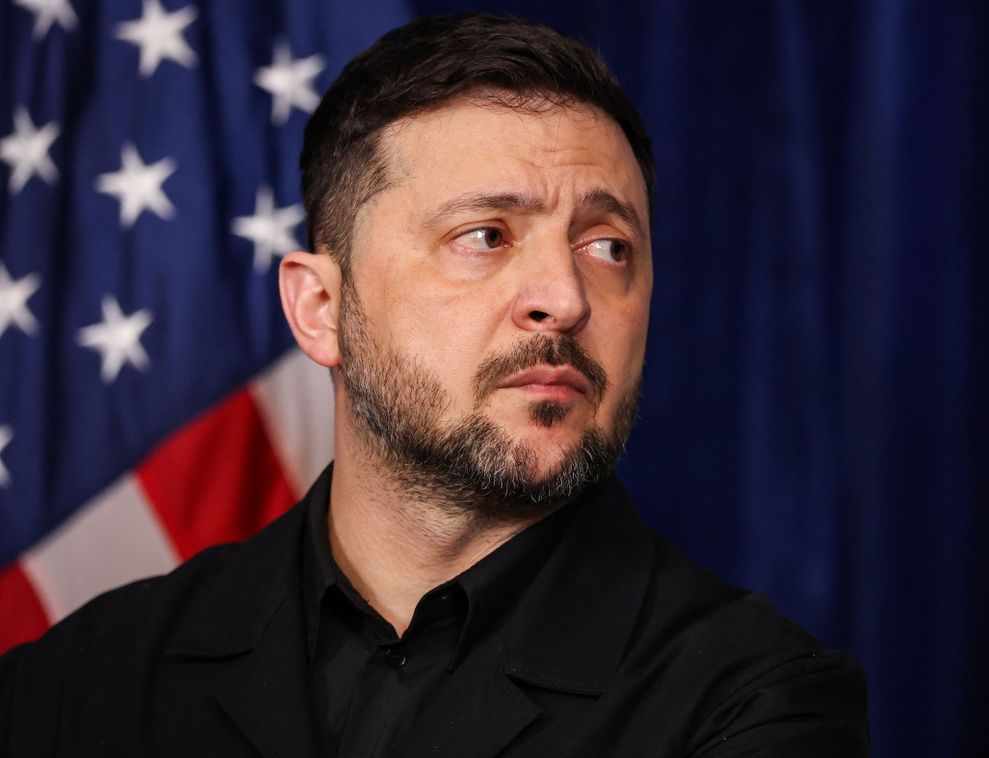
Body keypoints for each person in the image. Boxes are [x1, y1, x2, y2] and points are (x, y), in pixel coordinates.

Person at [0, 13, 868, 756]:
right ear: (320, 309)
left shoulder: (752, 701)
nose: (565, 299)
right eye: (485, 235)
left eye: (608, 247)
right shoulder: (80, 681)